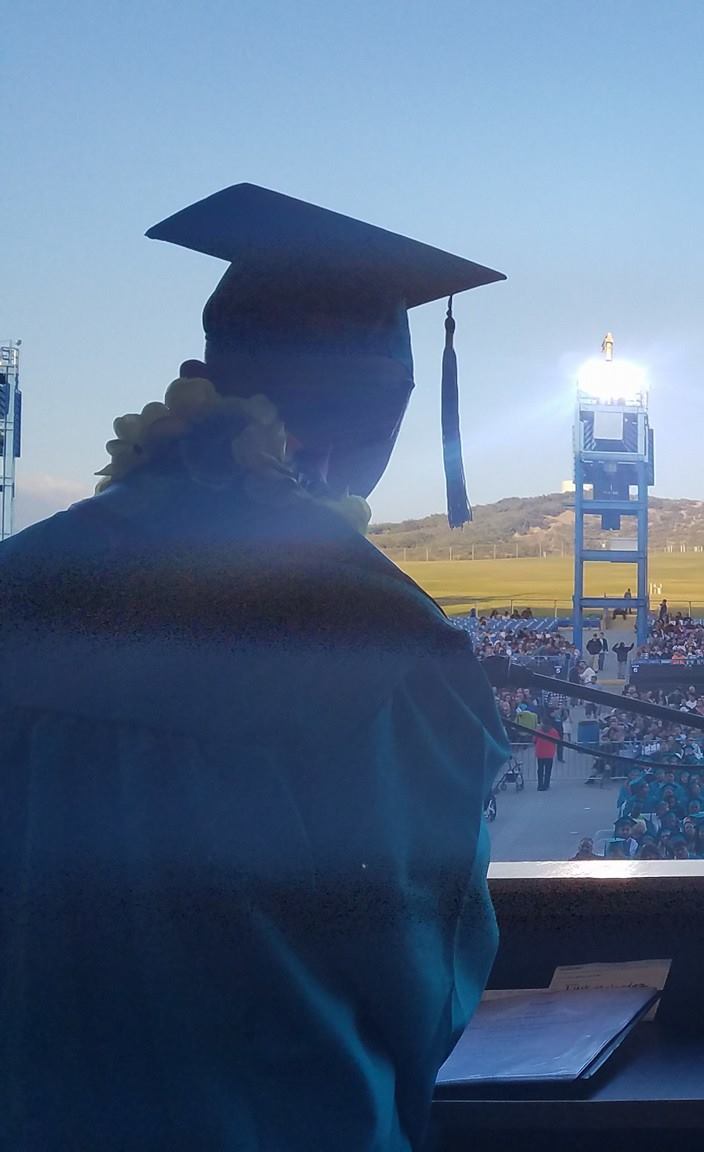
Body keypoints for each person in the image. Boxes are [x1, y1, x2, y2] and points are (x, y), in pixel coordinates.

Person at [0, 185, 506, 1149]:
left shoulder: (17, 583)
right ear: (386, 418)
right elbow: (422, 976)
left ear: (202, 376)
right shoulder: (372, 634)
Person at [535, 715, 561, 791]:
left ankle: (540, 785)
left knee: (540, 769)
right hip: (549, 753)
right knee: (548, 770)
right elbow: (557, 740)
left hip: (540, 752)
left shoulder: (538, 730)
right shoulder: (553, 731)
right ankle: (546, 784)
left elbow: (534, 740)